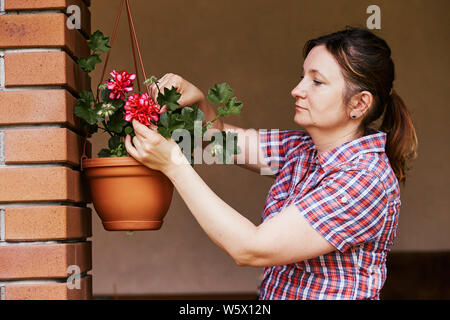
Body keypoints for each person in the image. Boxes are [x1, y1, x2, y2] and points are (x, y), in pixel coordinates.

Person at [124, 27, 418, 300]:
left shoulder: (364, 179)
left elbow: (251, 249)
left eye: (316, 81)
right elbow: (221, 142)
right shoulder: (303, 149)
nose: (297, 89)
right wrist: (198, 99)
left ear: (359, 104)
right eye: (302, 76)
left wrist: (174, 164)